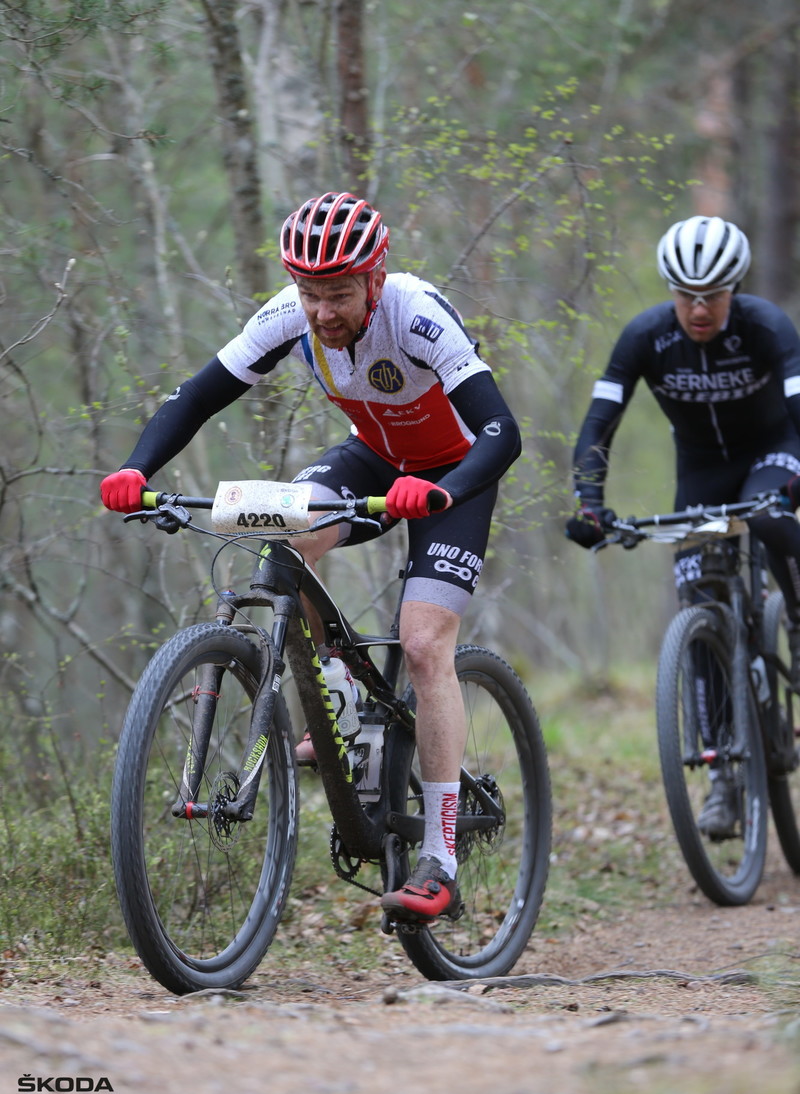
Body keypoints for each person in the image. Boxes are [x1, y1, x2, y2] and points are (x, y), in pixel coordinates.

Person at [101, 190, 521, 923]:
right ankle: (344, 699)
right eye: (309, 292)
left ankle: (441, 859)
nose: (323, 312)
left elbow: (501, 432)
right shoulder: (286, 316)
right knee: (285, 536)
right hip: (372, 459)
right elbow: (197, 397)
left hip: (454, 476)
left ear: (375, 279)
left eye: (338, 293)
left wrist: (444, 493)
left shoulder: (417, 316)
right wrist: (139, 468)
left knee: (424, 645)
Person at [565, 214, 800, 839]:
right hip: (700, 469)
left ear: (734, 289)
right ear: (671, 291)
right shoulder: (645, 336)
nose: (699, 309)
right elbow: (598, 426)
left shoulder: (768, 327)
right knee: (696, 594)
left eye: (714, 296)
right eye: (687, 296)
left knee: (772, 519)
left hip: (773, 451)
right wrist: (590, 503)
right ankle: (723, 773)